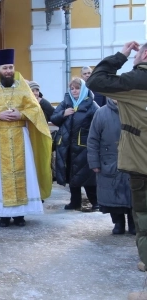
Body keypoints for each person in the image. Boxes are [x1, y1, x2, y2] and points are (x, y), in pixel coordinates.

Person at [85, 41, 147, 300]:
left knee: (143, 219)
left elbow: (96, 81)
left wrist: (121, 55)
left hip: (141, 164)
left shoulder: (137, 79)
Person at [0, 49, 52, 228]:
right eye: (5, 68)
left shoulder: (23, 87)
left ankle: (20, 215)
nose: (8, 71)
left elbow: (36, 110)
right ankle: (3, 214)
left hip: (20, 137)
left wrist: (22, 114)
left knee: (23, 173)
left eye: (10, 67)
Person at [87, 98, 134, 234]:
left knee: (133, 194)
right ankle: (118, 223)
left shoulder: (134, 111)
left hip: (132, 161)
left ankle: (133, 224)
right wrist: (94, 162)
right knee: (112, 195)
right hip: (108, 162)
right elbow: (93, 140)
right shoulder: (101, 113)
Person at [51, 78, 99, 211]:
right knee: (72, 174)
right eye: (72, 88)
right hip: (67, 146)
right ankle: (75, 201)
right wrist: (63, 113)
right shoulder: (66, 103)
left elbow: (99, 122)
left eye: (77, 88)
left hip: (85, 147)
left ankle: (96, 202)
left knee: (88, 176)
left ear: (83, 89)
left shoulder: (91, 104)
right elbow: (54, 118)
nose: (74, 91)